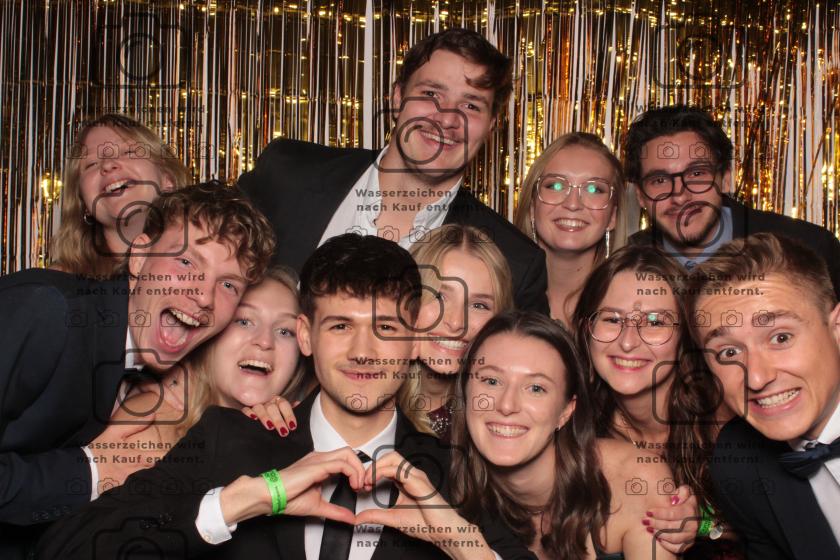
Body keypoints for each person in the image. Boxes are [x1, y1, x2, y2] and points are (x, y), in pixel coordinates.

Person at [37, 234, 536, 560]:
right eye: (340, 326)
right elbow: (63, 549)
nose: (363, 351)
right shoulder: (229, 439)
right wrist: (238, 503)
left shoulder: (452, 471)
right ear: (305, 335)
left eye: (385, 328)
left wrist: (461, 542)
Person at [0, 181, 275, 558]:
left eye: (228, 284)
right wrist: (92, 471)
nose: (203, 296)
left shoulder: (150, 375)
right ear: (140, 258)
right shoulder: (49, 310)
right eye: (186, 262)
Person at [237, 27, 548, 313]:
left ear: (491, 125)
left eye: (471, 106)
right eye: (431, 94)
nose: (448, 118)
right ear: (397, 98)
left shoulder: (515, 262)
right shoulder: (285, 175)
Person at [444, 311, 676, 559]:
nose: (507, 405)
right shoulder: (437, 483)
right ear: (465, 392)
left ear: (566, 411)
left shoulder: (634, 481)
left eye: (536, 388)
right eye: (491, 381)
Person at [573, 245, 741, 558]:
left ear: (685, 336)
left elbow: (779, 526)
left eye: (654, 322)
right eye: (612, 319)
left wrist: (704, 524)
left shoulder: (725, 417)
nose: (627, 341)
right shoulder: (573, 424)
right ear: (587, 330)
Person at [87, 266, 311, 496]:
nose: (264, 342)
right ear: (212, 333)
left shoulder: (295, 439)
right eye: (244, 321)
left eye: (285, 331)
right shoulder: (151, 418)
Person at [688, 233, 840, 559]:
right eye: (729, 353)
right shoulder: (738, 465)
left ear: (837, 328)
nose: (756, 378)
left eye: (780, 337)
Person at [624, 104, 840, 297]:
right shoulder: (627, 263)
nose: (680, 195)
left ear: (726, 178)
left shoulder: (811, 247)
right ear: (641, 195)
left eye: (697, 174)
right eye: (659, 180)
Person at [398, 224, 514, 440]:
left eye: (479, 305)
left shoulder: (503, 417)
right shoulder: (366, 396)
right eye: (439, 296)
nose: (456, 322)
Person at [50, 114, 191, 278]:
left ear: (168, 179)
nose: (108, 165)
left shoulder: (207, 275)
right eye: (92, 164)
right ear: (84, 204)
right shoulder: (53, 285)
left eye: (128, 152)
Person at [513, 133, 626, 326]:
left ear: (613, 216)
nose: (573, 204)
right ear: (532, 206)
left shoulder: (632, 306)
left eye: (594, 189)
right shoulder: (492, 297)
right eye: (556, 185)